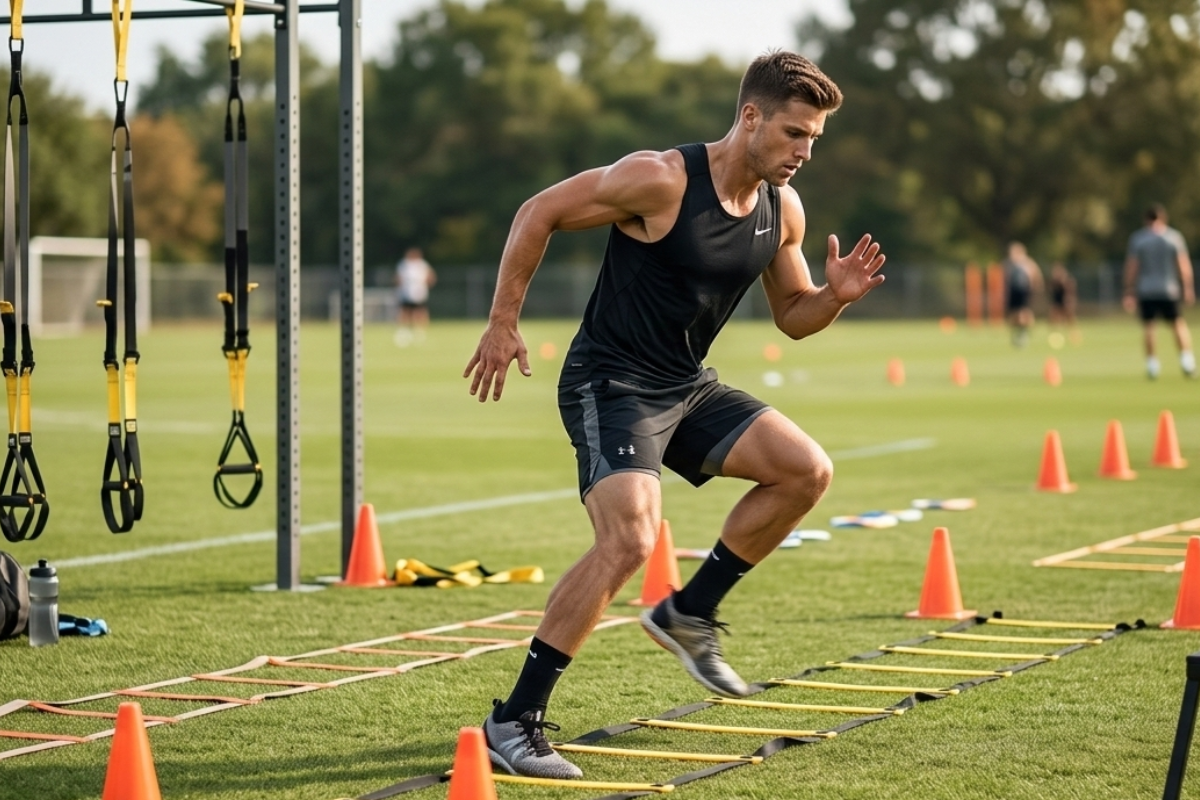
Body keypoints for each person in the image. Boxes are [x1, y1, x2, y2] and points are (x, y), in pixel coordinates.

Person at [463, 51, 885, 780]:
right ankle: (514, 719)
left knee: (804, 471)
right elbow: (541, 211)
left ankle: (687, 613)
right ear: (750, 116)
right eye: (792, 133)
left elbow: (793, 318)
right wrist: (504, 322)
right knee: (630, 539)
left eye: (813, 139)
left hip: (685, 386)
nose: (803, 153)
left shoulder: (783, 212)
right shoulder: (660, 179)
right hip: (610, 382)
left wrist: (835, 297)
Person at [1123, 204, 1195, 379]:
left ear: (1145, 220)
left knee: (1150, 326)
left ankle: (1152, 365)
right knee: (1177, 323)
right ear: (1163, 218)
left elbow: (1132, 267)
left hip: (1147, 289)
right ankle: (1186, 361)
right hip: (1169, 289)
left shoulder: (1139, 239)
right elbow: (1183, 265)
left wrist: (1129, 290)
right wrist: (1188, 288)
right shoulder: (1173, 237)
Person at [1002, 241, 1043, 347]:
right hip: (1012, 291)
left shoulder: (1027, 263)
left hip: (1024, 291)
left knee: (1023, 313)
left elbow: (1036, 275)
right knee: (1013, 315)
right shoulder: (1008, 264)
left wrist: (1036, 287)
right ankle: (1018, 332)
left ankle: (1024, 332)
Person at [394, 247, 436, 344]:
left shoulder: (422, 265)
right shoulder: (403, 265)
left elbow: (431, 276)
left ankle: (420, 332)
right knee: (405, 312)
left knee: (419, 312)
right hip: (406, 293)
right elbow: (398, 278)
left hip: (419, 293)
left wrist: (425, 284)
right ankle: (403, 331)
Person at [1047, 262, 1079, 342]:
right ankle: (1055, 333)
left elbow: (1070, 294)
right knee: (1053, 317)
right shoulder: (1054, 282)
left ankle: (1073, 333)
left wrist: (1069, 303)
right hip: (1057, 301)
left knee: (1069, 317)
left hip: (1065, 301)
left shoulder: (1067, 281)